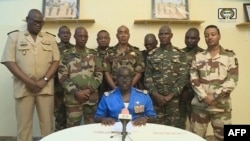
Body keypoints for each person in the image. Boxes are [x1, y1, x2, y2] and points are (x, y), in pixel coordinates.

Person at [1, 9, 60, 141]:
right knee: (24, 126)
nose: (38, 24)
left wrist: (44, 80)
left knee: (48, 125)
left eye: (41, 22)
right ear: (27, 20)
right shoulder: (14, 37)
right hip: (23, 87)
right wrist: (28, 82)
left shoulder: (50, 38)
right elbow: (8, 61)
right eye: (35, 21)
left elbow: (56, 61)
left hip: (45, 87)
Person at [190, 25, 239, 140]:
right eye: (206, 35)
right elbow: (193, 79)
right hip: (200, 106)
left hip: (221, 106)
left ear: (219, 36)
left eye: (213, 34)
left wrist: (215, 95)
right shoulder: (198, 57)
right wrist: (204, 96)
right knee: (196, 138)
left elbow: (233, 80)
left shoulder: (229, 56)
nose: (210, 37)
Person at [144, 25, 188, 128]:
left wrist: (170, 95)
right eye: (161, 34)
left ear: (171, 36)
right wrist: (156, 95)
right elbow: (148, 78)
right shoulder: (152, 55)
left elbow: (183, 77)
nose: (164, 36)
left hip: (174, 101)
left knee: (173, 130)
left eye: (166, 34)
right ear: (158, 36)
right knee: (154, 129)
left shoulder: (180, 54)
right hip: (156, 100)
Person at [58, 26, 103, 127]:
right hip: (73, 99)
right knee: (72, 130)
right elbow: (62, 76)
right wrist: (76, 92)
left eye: (85, 36)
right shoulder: (66, 55)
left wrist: (88, 90)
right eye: (80, 36)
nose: (83, 38)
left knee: (92, 129)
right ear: (74, 37)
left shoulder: (94, 54)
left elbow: (99, 74)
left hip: (90, 99)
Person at [103, 25, 145, 90]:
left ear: (129, 35)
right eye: (120, 33)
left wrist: (129, 87)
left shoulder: (136, 52)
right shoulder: (109, 52)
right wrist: (114, 88)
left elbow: (139, 72)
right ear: (117, 36)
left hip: (132, 89)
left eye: (125, 33)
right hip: (114, 88)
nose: (123, 35)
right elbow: (106, 72)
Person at [179, 27, 204, 130]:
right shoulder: (179, 53)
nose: (189, 40)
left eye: (193, 38)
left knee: (196, 126)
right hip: (181, 95)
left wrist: (190, 90)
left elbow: (204, 76)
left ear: (198, 39)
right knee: (179, 125)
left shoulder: (203, 54)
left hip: (197, 95)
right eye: (187, 37)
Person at [54, 26, 74, 131]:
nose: (66, 35)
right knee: (60, 117)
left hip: (72, 89)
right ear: (59, 35)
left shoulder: (75, 48)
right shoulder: (54, 48)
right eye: (63, 33)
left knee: (72, 118)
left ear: (71, 35)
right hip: (58, 89)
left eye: (68, 33)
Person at [95, 30, 111, 101]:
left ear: (109, 39)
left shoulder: (115, 53)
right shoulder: (91, 54)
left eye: (105, 38)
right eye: (101, 38)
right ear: (97, 40)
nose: (103, 40)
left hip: (111, 86)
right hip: (97, 88)